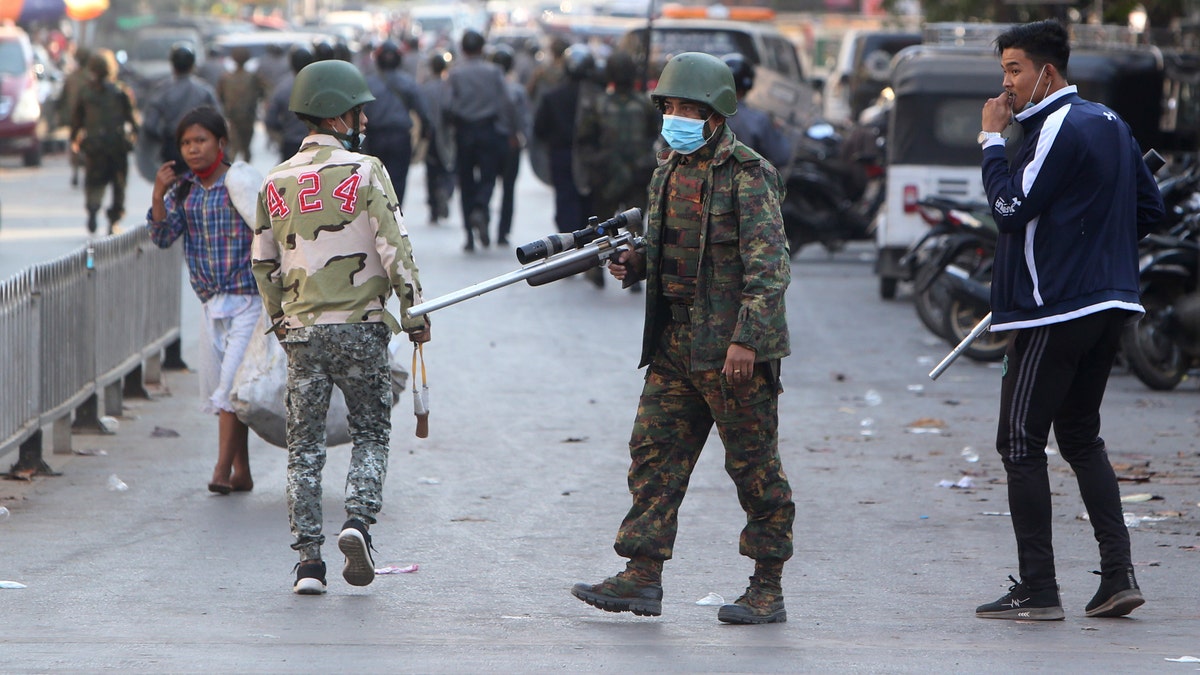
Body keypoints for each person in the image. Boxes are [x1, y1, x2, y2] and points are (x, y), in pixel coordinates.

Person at [571, 52, 795, 625]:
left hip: (730, 352)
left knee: (755, 470)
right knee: (654, 458)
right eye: (670, 107)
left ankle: (767, 587)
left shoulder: (749, 175)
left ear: (716, 114)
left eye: (689, 108)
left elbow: (768, 268)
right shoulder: (667, 171)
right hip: (674, 345)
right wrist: (637, 262)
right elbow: (668, 246)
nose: (677, 117)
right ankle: (642, 575)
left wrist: (747, 341)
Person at [973, 19, 1163, 621]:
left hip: (1054, 310)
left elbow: (1010, 209)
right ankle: (1117, 577)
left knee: (1020, 442)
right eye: (1004, 71)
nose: (1006, 86)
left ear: (1046, 73)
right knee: (1080, 437)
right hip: (1108, 305)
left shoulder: (1057, 124)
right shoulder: (1112, 123)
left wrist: (989, 143)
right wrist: (1095, 247)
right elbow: (1148, 208)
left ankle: (1039, 588)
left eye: (1014, 70)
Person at [250, 59, 431, 595]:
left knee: (303, 446)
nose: (364, 121)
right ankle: (358, 523)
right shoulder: (366, 171)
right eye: (359, 112)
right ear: (340, 115)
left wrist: (281, 321)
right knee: (371, 432)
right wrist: (415, 313)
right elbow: (394, 247)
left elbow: (263, 263)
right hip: (361, 327)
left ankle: (309, 563)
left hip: (302, 332)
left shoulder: (275, 180)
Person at [146, 106, 259, 495]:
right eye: (186, 143)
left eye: (201, 141)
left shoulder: (240, 184)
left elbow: (270, 233)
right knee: (227, 389)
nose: (193, 150)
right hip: (211, 304)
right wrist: (159, 194)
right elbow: (162, 237)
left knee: (229, 387)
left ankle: (220, 470)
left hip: (248, 301)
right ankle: (242, 470)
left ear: (221, 143)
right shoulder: (187, 192)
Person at [575, 50, 660, 287]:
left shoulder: (600, 103)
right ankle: (627, 265)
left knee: (603, 226)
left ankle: (608, 268)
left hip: (618, 174)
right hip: (623, 174)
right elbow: (656, 137)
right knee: (630, 224)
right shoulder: (644, 103)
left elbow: (584, 141)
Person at [446, 29, 517, 251]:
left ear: (463, 48)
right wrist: (511, 131)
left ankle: (468, 234)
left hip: (464, 131)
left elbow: (447, 105)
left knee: (466, 182)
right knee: (488, 178)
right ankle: (480, 207)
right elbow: (507, 103)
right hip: (489, 130)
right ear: (482, 48)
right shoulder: (494, 72)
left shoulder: (456, 74)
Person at [532, 44, 598, 236]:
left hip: (562, 156)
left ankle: (569, 245)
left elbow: (539, 129)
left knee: (566, 202)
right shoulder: (597, 97)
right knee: (589, 203)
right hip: (589, 157)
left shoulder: (553, 97)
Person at [70, 49, 137, 235]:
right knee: (118, 184)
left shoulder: (85, 93)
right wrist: (136, 137)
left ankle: (93, 208)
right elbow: (132, 119)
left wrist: (74, 140)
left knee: (93, 182)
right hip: (116, 146)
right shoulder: (121, 92)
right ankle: (113, 220)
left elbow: (77, 121)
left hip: (94, 146)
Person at [364, 40, 431, 211]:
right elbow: (423, 111)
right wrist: (426, 132)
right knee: (398, 181)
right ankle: (395, 216)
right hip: (400, 139)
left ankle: (379, 216)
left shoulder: (368, 84)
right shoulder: (408, 83)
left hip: (375, 139)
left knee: (375, 182)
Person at [141, 45, 220, 173]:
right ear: (193, 64)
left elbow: (150, 124)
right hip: (201, 147)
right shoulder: (205, 91)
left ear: (172, 64)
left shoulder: (162, 91)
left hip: (172, 147)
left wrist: (162, 139)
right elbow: (218, 120)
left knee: (173, 187)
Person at [720, 53, 791, 170]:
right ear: (748, 84)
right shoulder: (759, 120)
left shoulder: (703, 114)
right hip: (747, 185)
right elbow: (781, 156)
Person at [491, 44, 532, 246]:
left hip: (490, 142)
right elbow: (523, 118)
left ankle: (482, 216)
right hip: (510, 143)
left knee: (486, 184)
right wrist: (523, 137)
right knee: (508, 189)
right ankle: (502, 231)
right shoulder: (516, 90)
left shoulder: (486, 90)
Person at [419, 51, 455, 226]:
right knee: (447, 168)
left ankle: (433, 208)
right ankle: (445, 191)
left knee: (431, 171)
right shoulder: (448, 87)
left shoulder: (424, 88)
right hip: (445, 135)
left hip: (429, 135)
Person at [264, 45, 315, 164]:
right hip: (317, 143)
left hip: (290, 143)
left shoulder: (282, 87)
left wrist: (284, 128)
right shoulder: (321, 85)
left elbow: (270, 119)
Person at [217, 46, 269, 163]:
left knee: (233, 148)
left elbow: (219, 96)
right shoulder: (253, 77)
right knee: (246, 147)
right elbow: (263, 91)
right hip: (248, 117)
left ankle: (230, 173)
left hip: (232, 117)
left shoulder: (226, 78)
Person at [59, 45, 90, 188]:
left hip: (74, 117)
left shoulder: (71, 78)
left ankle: (76, 171)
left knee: (74, 143)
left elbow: (63, 99)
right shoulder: (92, 79)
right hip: (89, 118)